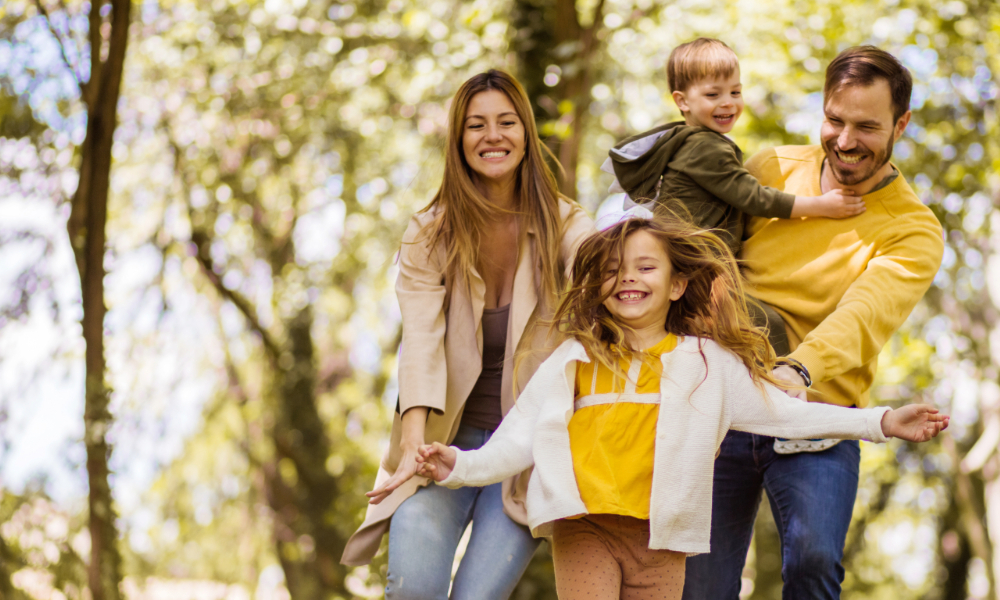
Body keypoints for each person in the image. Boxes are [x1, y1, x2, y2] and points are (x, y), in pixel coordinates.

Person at [410, 217, 948, 600]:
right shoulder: (575, 358)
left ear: (678, 284)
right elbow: (515, 439)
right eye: (615, 269)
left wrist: (878, 421)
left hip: (662, 540)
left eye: (647, 268)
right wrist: (457, 465)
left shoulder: (705, 363)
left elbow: (785, 415)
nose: (629, 278)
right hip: (585, 527)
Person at [682, 47, 947, 600]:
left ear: (902, 124)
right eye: (835, 120)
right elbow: (706, 256)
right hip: (725, 403)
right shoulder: (770, 169)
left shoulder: (914, 229)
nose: (846, 141)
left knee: (814, 562)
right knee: (699, 582)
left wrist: (798, 371)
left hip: (819, 412)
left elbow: (863, 315)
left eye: (867, 127)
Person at [340, 69, 593, 600]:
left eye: (506, 122)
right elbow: (422, 344)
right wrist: (413, 446)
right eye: (476, 125)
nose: (492, 136)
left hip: (522, 455)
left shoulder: (567, 224)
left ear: (526, 132)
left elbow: (599, 272)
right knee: (414, 590)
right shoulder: (430, 232)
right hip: (441, 442)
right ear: (458, 140)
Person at [606, 37, 865, 258]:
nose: (728, 103)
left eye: (735, 92)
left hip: (684, 257)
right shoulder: (704, 146)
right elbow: (755, 198)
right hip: (689, 262)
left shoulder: (690, 140)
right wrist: (821, 205)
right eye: (713, 95)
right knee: (767, 319)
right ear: (682, 101)